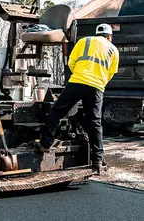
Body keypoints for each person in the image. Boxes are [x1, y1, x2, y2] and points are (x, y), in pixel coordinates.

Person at [40, 23, 119, 173]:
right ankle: (97, 161)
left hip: (77, 82)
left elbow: (71, 62)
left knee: (57, 111)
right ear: (109, 37)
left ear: (96, 34)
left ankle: (45, 143)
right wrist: (99, 82)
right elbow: (110, 73)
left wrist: (80, 75)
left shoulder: (84, 41)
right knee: (95, 122)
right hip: (96, 87)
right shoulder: (113, 49)